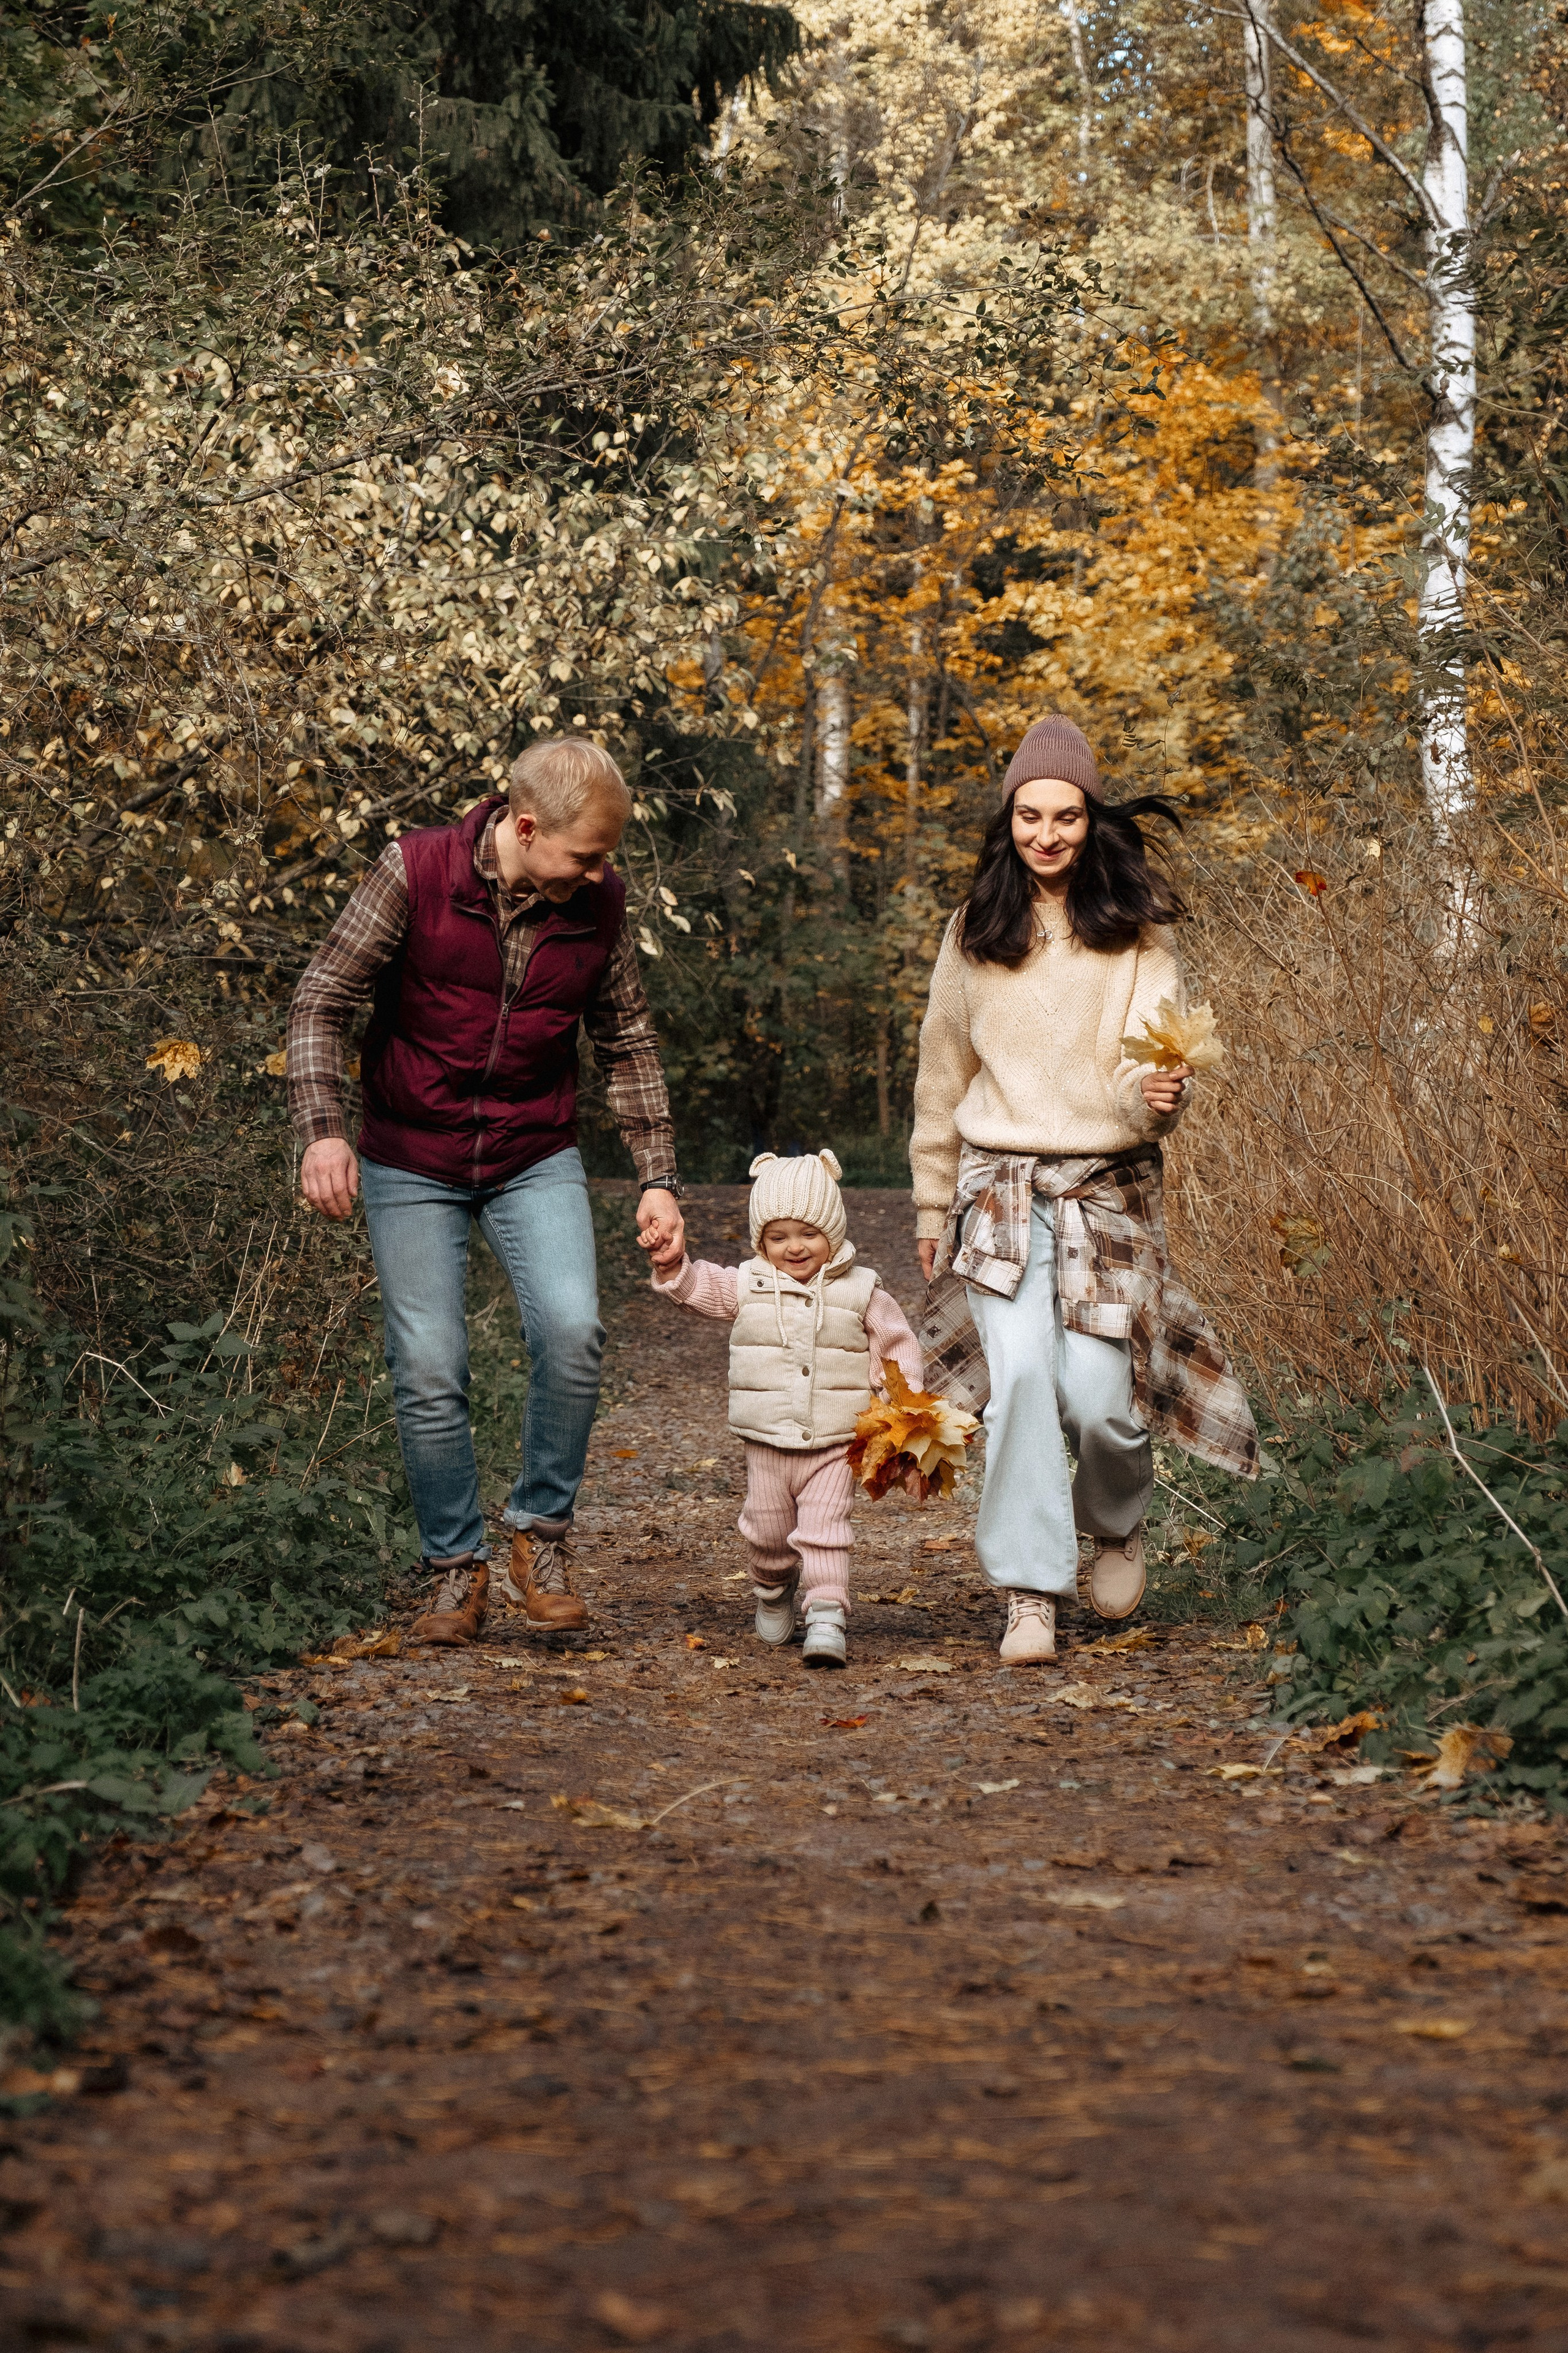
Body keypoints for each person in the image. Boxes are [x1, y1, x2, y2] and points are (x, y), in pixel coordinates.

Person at [287, 738, 685, 1645]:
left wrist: (658, 1176)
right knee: (429, 1366)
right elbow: (322, 999)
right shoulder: (416, 871)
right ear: (527, 825)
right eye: (586, 854)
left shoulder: (600, 904)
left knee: (574, 1331)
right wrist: (323, 1129)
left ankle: (539, 1537)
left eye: (607, 858)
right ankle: (451, 1571)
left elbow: (626, 1040)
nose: (600, 872)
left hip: (531, 1149)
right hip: (409, 1155)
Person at [910, 716, 1257, 1666]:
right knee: (1019, 1379)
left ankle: (1113, 1523)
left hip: (1105, 1190)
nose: (1048, 834)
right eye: (1030, 816)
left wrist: (1154, 1099)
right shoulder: (975, 930)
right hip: (999, 1190)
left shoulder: (1137, 934)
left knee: (1102, 1397)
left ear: (1089, 818)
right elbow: (941, 1076)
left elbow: (1149, 1074)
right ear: (1009, 820)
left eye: (1066, 815)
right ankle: (1028, 1591)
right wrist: (932, 1204)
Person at [644, 1149, 924, 1669]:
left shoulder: (862, 1289)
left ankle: (826, 1614)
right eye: (779, 1237)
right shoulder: (748, 1282)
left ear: (833, 1232)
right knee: (768, 1532)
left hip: (836, 1440)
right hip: (767, 1440)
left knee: (826, 1530)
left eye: (808, 1233)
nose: (795, 1247)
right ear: (761, 1241)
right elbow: (701, 1287)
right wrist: (672, 1266)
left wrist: (898, 1409)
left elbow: (897, 1348)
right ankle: (772, 1587)